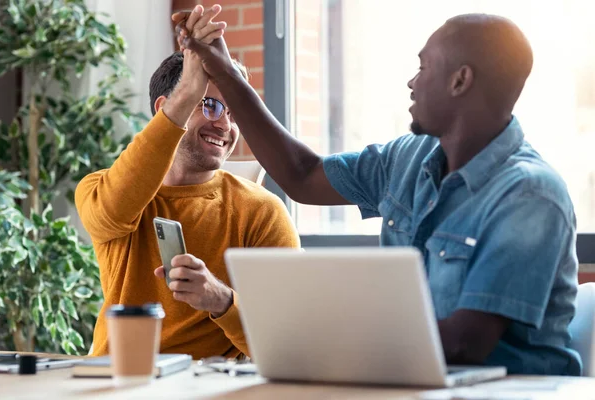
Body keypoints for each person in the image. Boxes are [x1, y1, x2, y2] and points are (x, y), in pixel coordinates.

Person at [174, 10, 581, 375]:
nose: (412, 81)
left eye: (423, 67)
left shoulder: (530, 195)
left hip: (510, 390)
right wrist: (224, 72)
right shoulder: (408, 157)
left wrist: (325, 341)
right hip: (413, 380)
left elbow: (463, 345)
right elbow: (302, 174)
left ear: (461, 80)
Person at [76, 4, 299, 359]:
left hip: (209, 387)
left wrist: (221, 300)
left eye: (233, 111)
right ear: (168, 105)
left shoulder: (262, 212)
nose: (225, 126)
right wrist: (190, 89)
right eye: (209, 104)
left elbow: (290, 341)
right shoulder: (99, 189)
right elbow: (113, 209)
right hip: (115, 380)